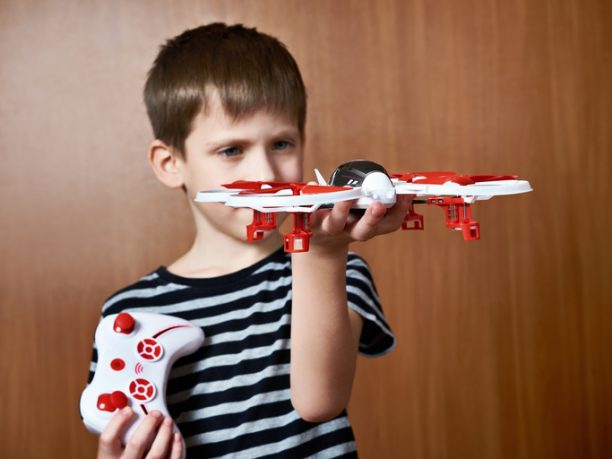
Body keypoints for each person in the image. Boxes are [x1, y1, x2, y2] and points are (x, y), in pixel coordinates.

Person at [88, 22, 413, 458]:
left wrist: (319, 254)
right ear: (170, 163)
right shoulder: (127, 316)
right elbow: (125, 432)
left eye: (281, 143)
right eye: (231, 150)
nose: (265, 175)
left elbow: (318, 403)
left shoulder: (335, 269)